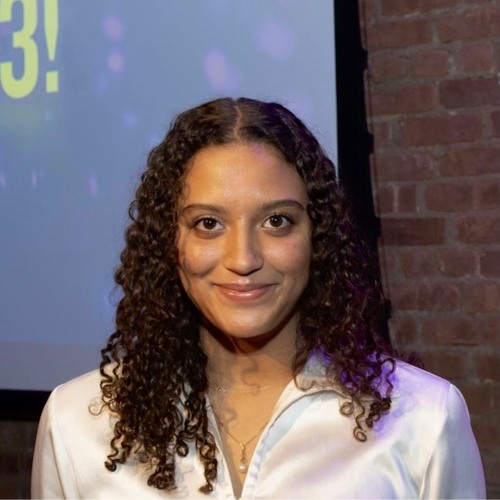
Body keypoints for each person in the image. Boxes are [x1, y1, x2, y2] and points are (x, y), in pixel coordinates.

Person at [31, 97, 486, 499]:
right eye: (208, 223)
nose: (243, 258)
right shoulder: (76, 423)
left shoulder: (422, 419)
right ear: (169, 243)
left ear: (318, 238)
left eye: (277, 222)